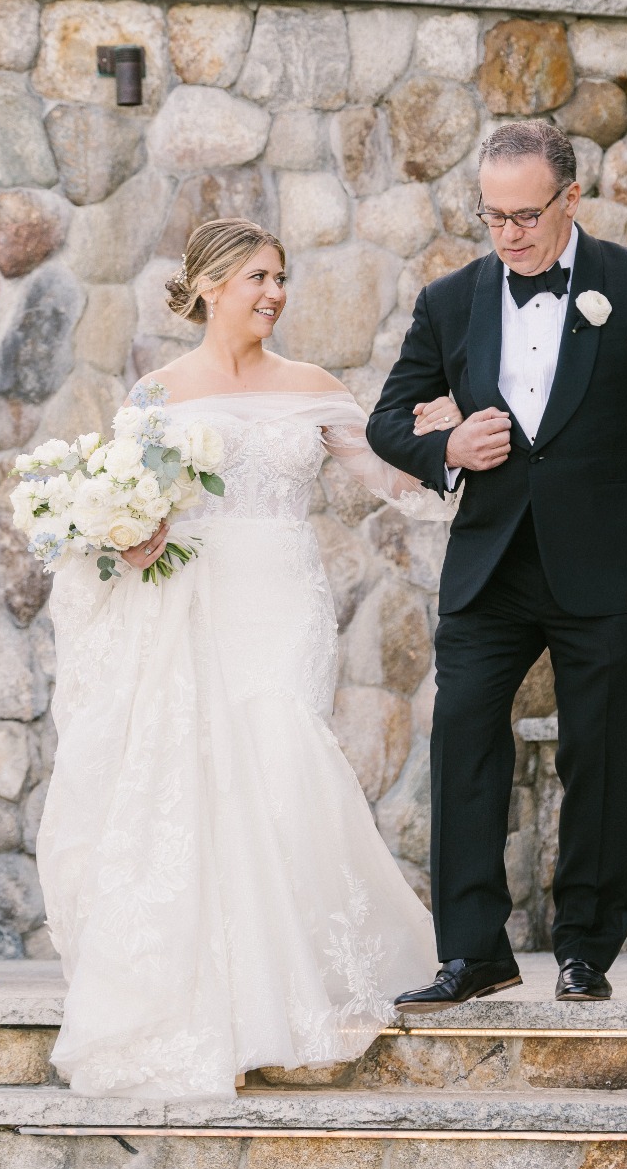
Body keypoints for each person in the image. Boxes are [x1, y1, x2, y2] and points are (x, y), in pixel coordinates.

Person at [35, 218, 442, 1099]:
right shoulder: (156, 392)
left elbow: (387, 478)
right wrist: (127, 540)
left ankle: (293, 987)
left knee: (282, 755)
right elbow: (120, 514)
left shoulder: (313, 386)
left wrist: (443, 447)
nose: (275, 293)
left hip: (284, 601)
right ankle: (231, 1000)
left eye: (282, 277)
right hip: (195, 603)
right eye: (258, 276)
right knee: (202, 776)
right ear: (212, 284)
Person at [366, 119, 627, 1010]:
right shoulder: (451, 298)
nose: (510, 233)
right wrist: (449, 445)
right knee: (462, 741)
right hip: (490, 568)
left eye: (526, 215)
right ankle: (472, 952)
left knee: (601, 758)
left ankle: (585, 950)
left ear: (572, 199)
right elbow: (389, 419)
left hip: (612, 566)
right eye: (493, 217)